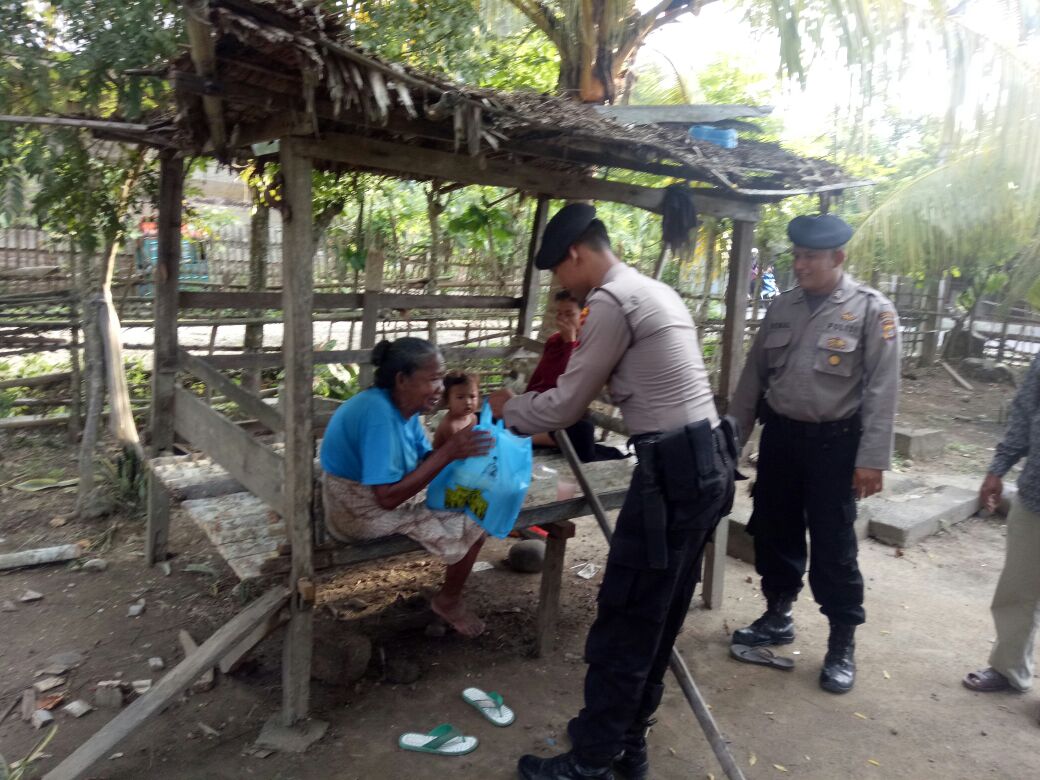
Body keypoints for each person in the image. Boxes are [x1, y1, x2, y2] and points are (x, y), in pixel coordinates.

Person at [488, 203, 737, 780]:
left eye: (559, 270)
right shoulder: (655, 291)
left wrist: (509, 409)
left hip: (672, 472)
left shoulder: (611, 301)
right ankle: (627, 744)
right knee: (658, 617)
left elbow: (566, 405)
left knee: (627, 620)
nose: (562, 283)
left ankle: (593, 761)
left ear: (576, 254)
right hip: (708, 463)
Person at [728, 213, 901, 694]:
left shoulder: (872, 310)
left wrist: (872, 459)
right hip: (781, 440)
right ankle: (777, 615)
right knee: (774, 531)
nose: (800, 264)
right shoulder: (782, 306)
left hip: (835, 447)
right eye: (797, 255)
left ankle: (841, 642)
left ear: (838, 257)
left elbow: (883, 389)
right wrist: (732, 443)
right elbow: (752, 379)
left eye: (810, 257)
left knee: (833, 546)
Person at [320, 338, 492, 637]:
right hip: (356, 512)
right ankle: (449, 600)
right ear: (402, 380)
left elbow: (425, 458)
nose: (440, 388)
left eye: (442, 378)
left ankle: (448, 596)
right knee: (477, 516)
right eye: (433, 379)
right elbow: (386, 499)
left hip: (373, 496)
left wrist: (463, 460)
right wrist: (449, 452)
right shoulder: (378, 415)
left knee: (476, 499)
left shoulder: (403, 408)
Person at [962, 354, 1040, 722]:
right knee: (1017, 588)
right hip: (1036, 494)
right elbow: (1025, 413)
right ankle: (1010, 668)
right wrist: (997, 469)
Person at [526, 289, 625, 463]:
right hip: (541, 407)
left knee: (582, 429)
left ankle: (532, 438)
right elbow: (539, 376)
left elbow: (574, 382)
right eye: (559, 313)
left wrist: (570, 343)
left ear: (584, 316)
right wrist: (525, 401)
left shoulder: (591, 345)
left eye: (569, 314)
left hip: (564, 413)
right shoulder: (553, 341)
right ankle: (542, 437)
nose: (562, 319)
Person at [433, 370, 480, 450]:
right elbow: (457, 450)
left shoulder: (473, 417)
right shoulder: (449, 425)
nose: (468, 402)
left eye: (472, 396)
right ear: (448, 401)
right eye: (460, 397)